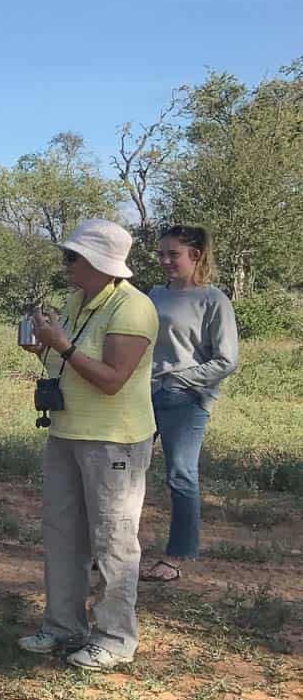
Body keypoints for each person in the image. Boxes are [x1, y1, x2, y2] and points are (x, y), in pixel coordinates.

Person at [18, 219, 158, 672]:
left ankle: (115, 636)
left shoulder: (133, 309)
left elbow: (112, 380)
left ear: (99, 261)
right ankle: (63, 625)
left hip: (112, 440)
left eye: (72, 257)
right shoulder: (79, 300)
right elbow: (71, 358)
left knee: (113, 540)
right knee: (62, 534)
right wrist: (45, 345)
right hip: (66, 434)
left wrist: (61, 345)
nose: (66, 264)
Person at [141, 225, 239, 583]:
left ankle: (176, 556)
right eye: (161, 254)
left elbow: (226, 360)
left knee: (180, 475)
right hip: (141, 395)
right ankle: (114, 549)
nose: (165, 260)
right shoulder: (153, 294)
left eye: (173, 254)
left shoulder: (213, 300)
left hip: (185, 400)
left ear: (195, 255)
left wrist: (179, 379)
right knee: (125, 471)